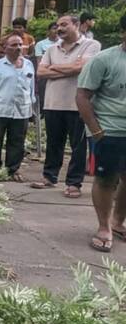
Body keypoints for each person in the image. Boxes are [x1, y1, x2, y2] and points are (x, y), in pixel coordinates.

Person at [30, 15, 102, 198]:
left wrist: (54, 68)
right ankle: (49, 176)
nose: (59, 29)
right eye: (58, 26)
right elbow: (41, 72)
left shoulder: (91, 45)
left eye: (64, 25)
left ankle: (73, 183)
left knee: (78, 146)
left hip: (78, 104)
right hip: (53, 103)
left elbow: (82, 68)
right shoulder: (52, 48)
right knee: (54, 143)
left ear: (76, 25)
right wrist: (69, 67)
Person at [76, 14, 126, 253]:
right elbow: (82, 96)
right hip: (110, 131)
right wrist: (96, 131)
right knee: (106, 179)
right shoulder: (103, 60)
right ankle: (104, 227)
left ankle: (118, 221)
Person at [0, 35, 36, 182]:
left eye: (20, 44)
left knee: (17, 141)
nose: (18, 47)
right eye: (13, 45)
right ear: (5, 48)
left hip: (21, 110)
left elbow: (31, 88)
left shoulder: (28, 65)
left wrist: (31, 107)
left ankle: (13, 169)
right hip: (0, 109)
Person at [34, 22, 59, 111]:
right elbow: (39, 61)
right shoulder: (41, 44)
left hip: (60, 74)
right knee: (43, 97)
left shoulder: (63, 43)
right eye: (54, 28)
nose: (56, 30)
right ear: (48, 31)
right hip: (45, 74)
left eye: (58, 28)